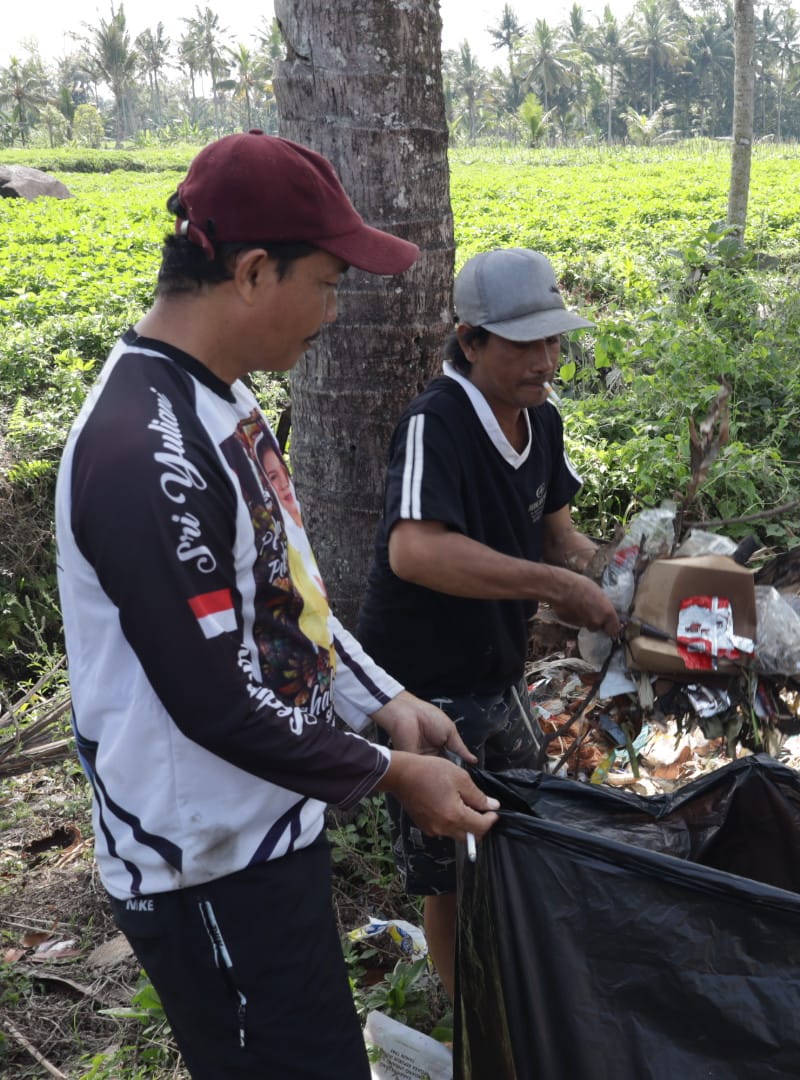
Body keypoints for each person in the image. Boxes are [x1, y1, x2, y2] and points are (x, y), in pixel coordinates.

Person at [55, 131, 500, 1079]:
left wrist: (383, 700)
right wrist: (389, 772)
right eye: (330, 283)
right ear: (255, 271)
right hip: (203, 864)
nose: (333, 312)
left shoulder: (225, 402)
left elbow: (283, 598)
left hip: (267, 828)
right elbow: (213, 699)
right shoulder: (145, 452)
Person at [356, 247, 621, 998]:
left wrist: (619, 575)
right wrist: (554, 588)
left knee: (523, 832)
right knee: (451, 868)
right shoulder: (436, 425)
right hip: (427, 689)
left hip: (497, 674)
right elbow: (416, 551)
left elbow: (558, 533)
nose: (546, 360)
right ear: (471, 341)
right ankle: (470, 1012)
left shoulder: (543, 421)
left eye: (554, 340)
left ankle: (516, 980)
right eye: (525, 344)